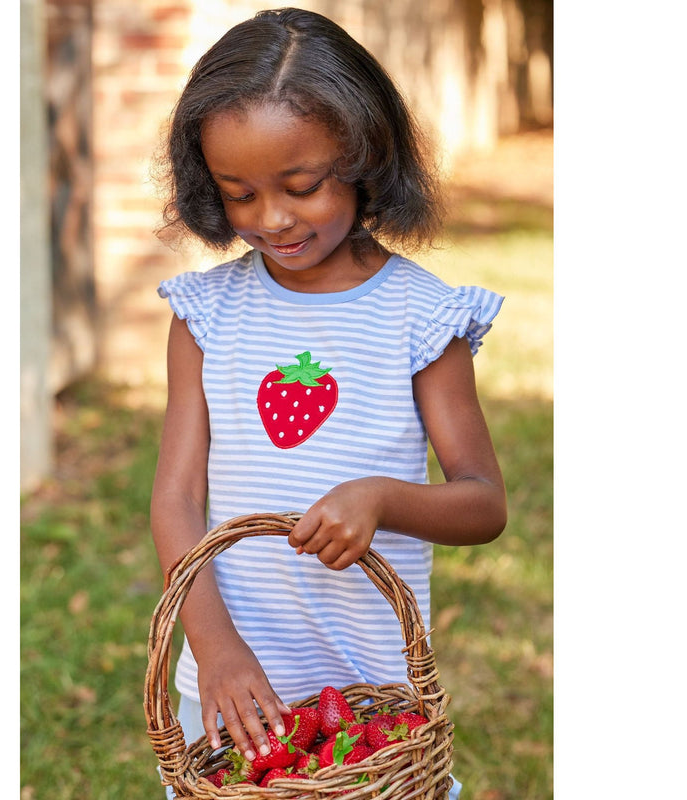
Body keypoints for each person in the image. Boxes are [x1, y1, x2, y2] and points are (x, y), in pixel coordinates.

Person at [149, 8, 506, 798]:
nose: (270, 218)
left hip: (372, 693)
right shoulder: (207, 316)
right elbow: (175, 498)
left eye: (301, 186)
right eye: (238, 193)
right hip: (236, 684)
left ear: (363, 156)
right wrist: (216, 650)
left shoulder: (421, 318)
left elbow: (483, 503)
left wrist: (380, 497)